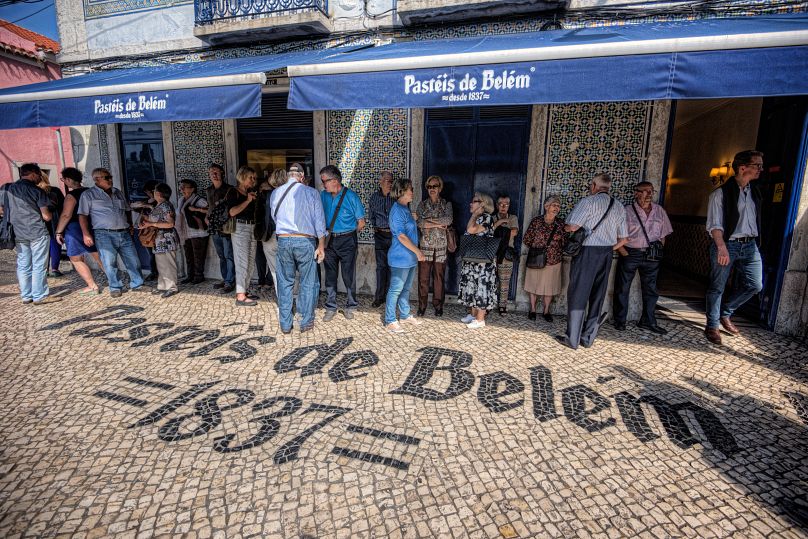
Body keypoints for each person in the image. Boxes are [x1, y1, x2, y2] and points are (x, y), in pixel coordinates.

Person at [556, 173, 628, 350]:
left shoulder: (588, 202)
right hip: (606, 254)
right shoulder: (618, 206)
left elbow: (573, 226)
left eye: (591, 185)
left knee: (578, 293)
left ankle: (572, 339)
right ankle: (588, 337)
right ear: (608, 187)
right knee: (598, 295)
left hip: (587, 252)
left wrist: (565, 227)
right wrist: (607, 249)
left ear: (595, 185)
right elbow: (625, 239)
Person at [704, 150, 765, 345]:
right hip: (727, 244)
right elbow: (715, 224)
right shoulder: (720, 194)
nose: (761, 169)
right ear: (742, 168)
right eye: (757, 165)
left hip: (750, 246)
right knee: (717, 286)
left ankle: (726, 312)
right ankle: (712, 325)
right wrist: (721, 247)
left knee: (755, 284)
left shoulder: (754, 192)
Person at [77, 168, 149, 298]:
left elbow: (126, 209)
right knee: (109, 262)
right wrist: (86, 234)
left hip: (124, 232)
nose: (110, 179)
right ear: (96, 179)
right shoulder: (88, 195)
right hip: (104, 234)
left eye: (110, 176)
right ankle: (115, 286)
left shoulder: (118, 193)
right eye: (106, 177)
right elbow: (82, 215)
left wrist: (130, 224)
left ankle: (138, 284)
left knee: (133, 260)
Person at [613, 181, 673, 334]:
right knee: (622, 288)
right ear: (636, 193)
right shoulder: (626, 211)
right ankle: (620, 321)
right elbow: (615, 235)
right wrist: (625, 254)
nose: (648, 194)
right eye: (645, 191)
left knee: (651, 290)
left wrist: (656, 251)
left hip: (652, 255)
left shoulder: (659, 211)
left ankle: (648, 321)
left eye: (651, 191)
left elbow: (663, 236)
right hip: (630, 253)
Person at [272, 163, 326, 334]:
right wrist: (321, 245)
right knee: (308, 282)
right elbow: (319, 221)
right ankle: (305, 321)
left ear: (289, 176)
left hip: (283, 240)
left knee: (285, 282)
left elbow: (274, 217)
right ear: (302, 176)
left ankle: (285, 324)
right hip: (305, 241)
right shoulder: (311, 192)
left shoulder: (276, 193)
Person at [0, 163, 61, 305]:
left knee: (23, 264)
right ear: (32, 174)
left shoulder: (7, 188)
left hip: (18, 232)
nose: (40, 177)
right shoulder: (36, 191)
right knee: (39, 264)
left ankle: (26, 296)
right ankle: (40, 295)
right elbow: (47, 217)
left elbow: (1, 211)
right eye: (39, 174)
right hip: (37, 231)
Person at [320, 165, 366, 321]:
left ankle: (351, 305)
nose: (323, 184)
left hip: (347, 240)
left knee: (348, 275)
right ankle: (331, 306)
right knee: (330, 276)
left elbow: (361, 222)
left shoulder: (351, 196)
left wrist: (349, 233)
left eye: (324, 181)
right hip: (329, 239)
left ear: (335, 180)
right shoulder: (323, 195)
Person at [384, 179, 425, 334]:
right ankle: (390, 320)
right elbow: (401, 236)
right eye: (410, 189)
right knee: (396, 289)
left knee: (406, 288)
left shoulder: (405, 208)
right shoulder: (396, 210)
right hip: (400, 258)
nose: (412, 192)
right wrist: (418, 251)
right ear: (401, 191)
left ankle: (405, 315)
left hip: (410, 258)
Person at [53, 167, 103, 295]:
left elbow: (66, 215)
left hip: (75, 228)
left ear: (68, 179)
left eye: (63, 180)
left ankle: (92, 286)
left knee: (76, 258)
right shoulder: (91, 192)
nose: (64, 182)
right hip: (92, 224)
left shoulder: (72, 195)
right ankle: (115, 282)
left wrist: (59, 232)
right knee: (99, 256)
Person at [522, 195, 566, 322]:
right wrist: (539, 249)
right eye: (554, 205)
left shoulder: (560, 223)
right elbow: (527, 239)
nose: (556, 208)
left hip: (554, 260)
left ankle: (546, 311)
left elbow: (564, 242)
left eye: (558, 206)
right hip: (536, 259)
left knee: (550, 288)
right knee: (533, 284)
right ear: (546, 206)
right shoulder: (536, 221)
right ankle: (533, 310)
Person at [458, 192, 497, 329]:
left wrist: (474, 215)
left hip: (483, 264)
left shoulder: (487, 218)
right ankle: (473, 315)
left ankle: (480, 319)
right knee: (472, 287)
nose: (471, 203)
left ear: (482, 204)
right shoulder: (478, 217)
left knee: (482, 288)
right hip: (473, 260)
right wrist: (474, 215)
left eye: (474, 201)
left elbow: (471, 230)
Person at [416, 175, 453, 317]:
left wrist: (428, 221)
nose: (432, 189)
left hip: (441, 248)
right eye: (429, 187)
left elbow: (448, 220)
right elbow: (420, 223)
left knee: (439, 278)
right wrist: (438, 224)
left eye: (435, 186)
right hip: (425, 247)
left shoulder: (446, 204)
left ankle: (438, 305)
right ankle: (422, 306)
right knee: (423, 279)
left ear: (440, 187)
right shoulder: (422, 205)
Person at [227, 166, 262, 307]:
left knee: (250, 260)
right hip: (240, 228)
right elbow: (232, 212)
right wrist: (247, 201)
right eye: (250, 177)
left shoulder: (250, 192)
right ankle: (240, 295)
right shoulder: (233, 192)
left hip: (252, 227)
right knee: (242, 261)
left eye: (254, 178)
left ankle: (245, 290)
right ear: (242, 177)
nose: (253, 180)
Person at [141, 183, 180, 298]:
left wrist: (151, 223)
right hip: (159, 239)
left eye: (154, 191)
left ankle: (172, 287)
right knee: (161, 264)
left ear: (158, 193)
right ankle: (163, 286)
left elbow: (170, 224)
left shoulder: (165, 207)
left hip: (166, 238)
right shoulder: (159, 206)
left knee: (168, 263)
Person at [258, 168, 289, 297]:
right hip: (288, 236)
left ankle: (282, 297)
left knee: (276, 271)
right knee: (289, 269)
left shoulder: (269, 195)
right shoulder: (292, 194)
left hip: (271, 236)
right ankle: (291, 297)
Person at [206, 163, 235, 293]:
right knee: (221, 255)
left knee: (229, 255)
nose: (214, 174)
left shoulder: (229, 189)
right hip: (213, 227)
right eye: (211, 172)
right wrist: (206, 217)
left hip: (225, 226)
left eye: (216, 172)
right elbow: (210, 207)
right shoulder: (209, 190)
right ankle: (225, 278)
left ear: (222, 173)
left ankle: (230, 281)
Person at [369, 171, 394, 308]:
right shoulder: (374, 198)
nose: (390, 183)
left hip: (393, 236)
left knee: (392, 267)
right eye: (387, 180)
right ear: (380, 182)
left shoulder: (396, 197)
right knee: (381, 267)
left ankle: (390, 297)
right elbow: (371, 216)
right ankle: (379, 297)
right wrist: (377, 227)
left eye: (391, 181)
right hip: (380, 235)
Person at [176, 179, 208, 285]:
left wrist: (195, 210)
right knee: (188, 255)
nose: (181, 189)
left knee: (198, 256)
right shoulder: (181, 200)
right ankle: (190, 275)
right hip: (185, 233)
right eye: (181, 186)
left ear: (192, 189)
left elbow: (209, 211)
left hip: (198, 233)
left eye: (184, 187)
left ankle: (199, 276)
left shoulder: (200, 201)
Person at [492, 194, 519, 315]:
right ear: (497, 205)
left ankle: (502, 305)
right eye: (501, 204)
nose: (503, 206)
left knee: (504, 282)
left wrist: (499, 231)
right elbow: (489, 231)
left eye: (506, 204)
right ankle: (489, 305)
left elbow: (514, 232)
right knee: (491, 281)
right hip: (492, 253)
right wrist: (502, 222)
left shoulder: (513, 218)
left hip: (507, 254)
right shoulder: (492, 217)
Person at [37, 174, 65, 277]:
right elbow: (63, 206)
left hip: (40, 221)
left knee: (42, 246)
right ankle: (55, 269)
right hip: (55, 221)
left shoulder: (35, 191)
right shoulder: (55, 190)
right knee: (55, 244)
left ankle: (44, 270)